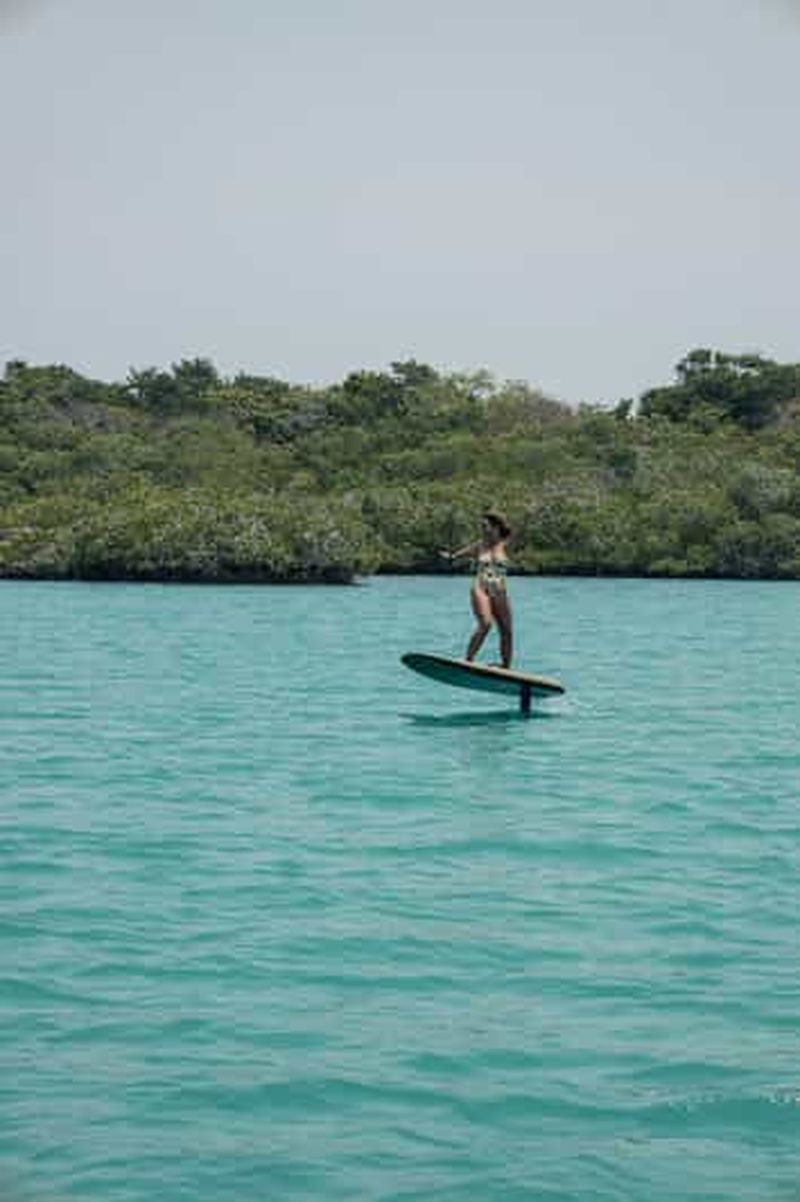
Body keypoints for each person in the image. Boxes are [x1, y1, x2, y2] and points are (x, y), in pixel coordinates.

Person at [441, 510, 513, 668]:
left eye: (485, 526)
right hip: (481, 587)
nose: (482, 529)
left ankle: (505, 667)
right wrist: (450, 557)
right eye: (481, 526)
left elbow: (518, 532)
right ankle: (468, 660)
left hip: (500, 590)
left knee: (507, 631)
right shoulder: (480, 545)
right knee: (486, 624)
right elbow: (458, 555)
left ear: (496, 527)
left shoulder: (506, 543)